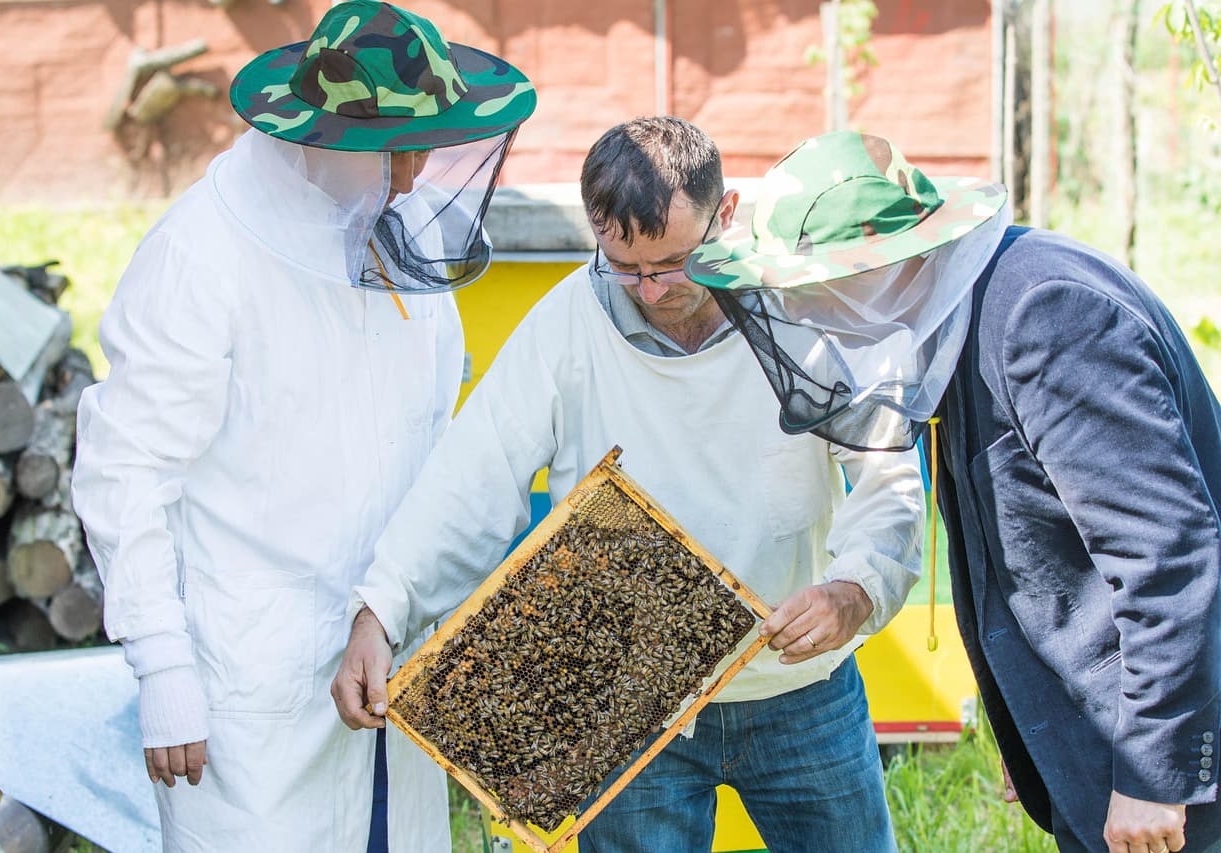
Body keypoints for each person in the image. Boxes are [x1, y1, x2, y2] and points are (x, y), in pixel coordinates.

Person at [330, 116, 925, 853]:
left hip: (802, 690)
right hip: (628, 702)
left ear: (727, 213)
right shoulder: (564, 327)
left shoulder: (803, 306)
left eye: (675, 262)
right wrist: (380, 610)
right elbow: (469, 482)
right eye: (625, 266)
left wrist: (856, 588)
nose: (650, 289)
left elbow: (887, 469)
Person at [71, 2, 536, 850]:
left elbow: (435, 446)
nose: (413, 173)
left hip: (398, 660)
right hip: (255, 690)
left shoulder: (403, 253)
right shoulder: (200, 257)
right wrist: (162, 662)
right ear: (320, 143)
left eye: (423, 146)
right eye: (394, 152)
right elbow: (123, 470)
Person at [685, 129, 1221, 853]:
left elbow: (1170, 555)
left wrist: (1155, 774)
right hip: (1097, 735)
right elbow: (1022, 555)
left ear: (882, 268)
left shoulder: (1045, 315)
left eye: (807, 293)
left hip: (1175, 762)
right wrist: (1026, 716)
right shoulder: (951, 332)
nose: (804, 317)